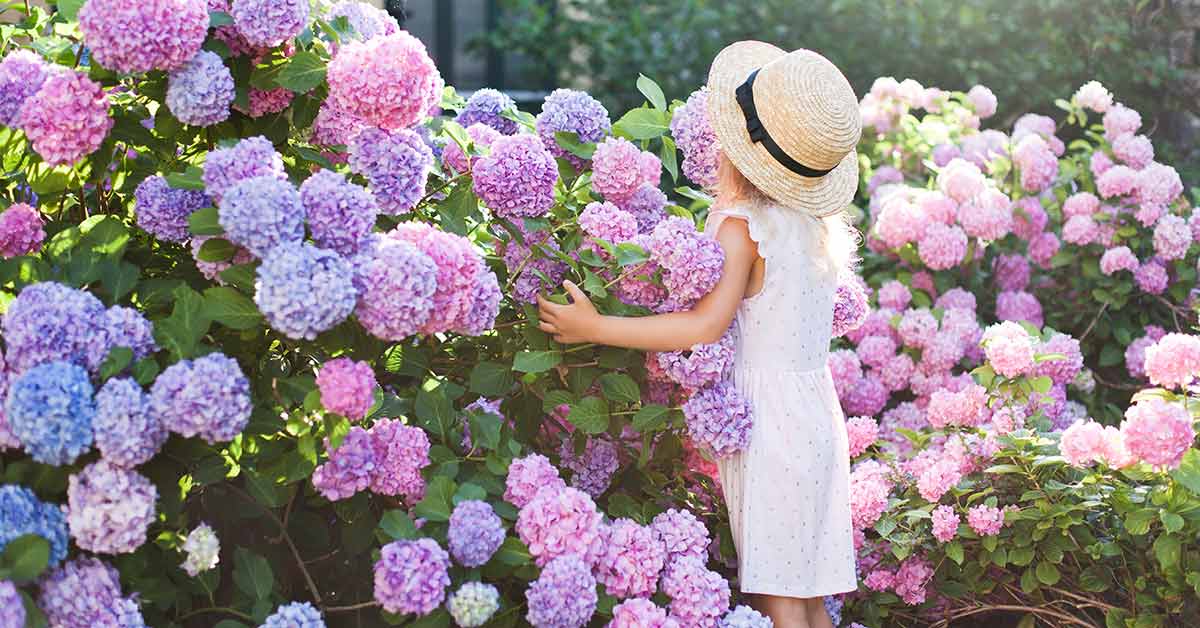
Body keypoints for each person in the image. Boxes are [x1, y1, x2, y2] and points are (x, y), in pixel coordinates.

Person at [537, 41, 862, 628]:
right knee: (807, 591)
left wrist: (595, 326)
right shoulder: (810, 228)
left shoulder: (743, 227)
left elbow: (704, 325)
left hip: (768, 424)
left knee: (776, 593)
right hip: (815, 413)